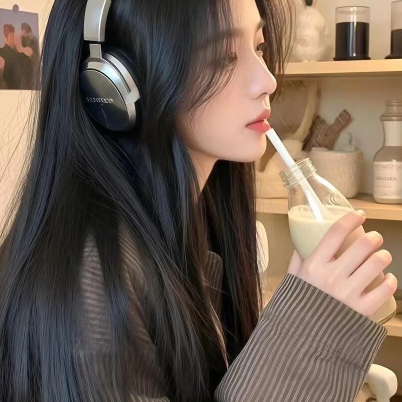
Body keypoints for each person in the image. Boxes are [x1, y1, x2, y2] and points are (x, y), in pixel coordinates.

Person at [0, 0, 397, 401]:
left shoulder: (192, 230)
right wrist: (308, 337)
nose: (267, 81)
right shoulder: (94, 284)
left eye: (259, 46)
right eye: (224, 57)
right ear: (116, 86)